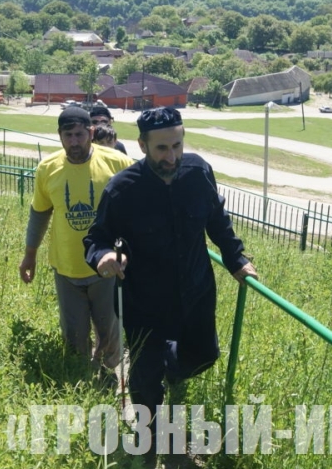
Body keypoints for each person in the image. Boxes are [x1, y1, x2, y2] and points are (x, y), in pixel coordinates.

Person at [84, 106, 258, 443]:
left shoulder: (198, 172)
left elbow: (216, 219)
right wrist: (103, 256)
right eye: (162, 148)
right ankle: (149, 441)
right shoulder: (122, 190)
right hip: (144, 303)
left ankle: (168, 369)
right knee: (146, 380)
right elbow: (96, 239)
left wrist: (235, 258)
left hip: (196, 293)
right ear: (142, 145)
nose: (171, 156)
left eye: (177, 145)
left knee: (205, 355)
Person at [20, 105, 135, 371]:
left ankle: (108, 375)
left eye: (80, 135)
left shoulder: (117, 164)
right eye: (68, 135)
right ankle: (79, 376)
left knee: (109, 333)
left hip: (107, 268)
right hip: (67, 268)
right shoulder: (48, 169)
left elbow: (139, 206)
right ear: (59, 135)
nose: (74, 142)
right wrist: (29, 255)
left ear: (91, 133)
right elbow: (39, 214)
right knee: (74, 335)